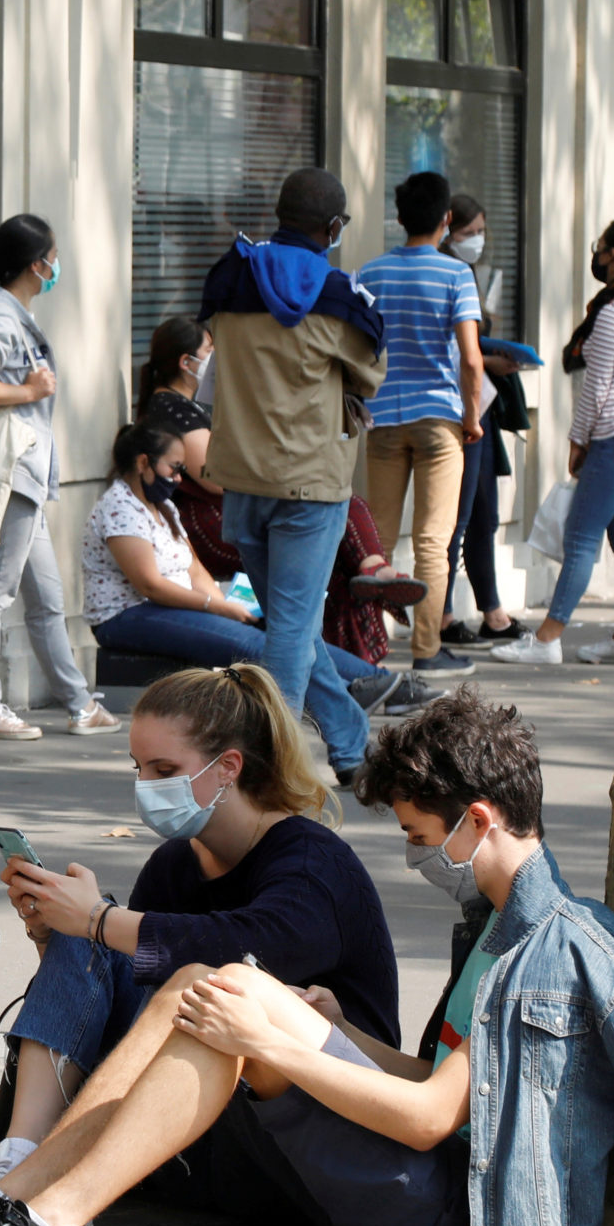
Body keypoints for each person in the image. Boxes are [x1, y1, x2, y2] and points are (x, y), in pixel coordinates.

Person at [0, 688, 614, 1226]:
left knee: (231, 1004)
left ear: (479, 819)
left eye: (424, 838)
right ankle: (23, 1209)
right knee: (211, 985)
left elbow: (433, 1119)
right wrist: (338, 1029)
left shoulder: (556, 948)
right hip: (416, 1189)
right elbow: (443, 1078)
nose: (419, 856)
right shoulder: (493, 927)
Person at [0, 663, 396, 1226]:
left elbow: (241, 950)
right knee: (88, 941)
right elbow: (128, 1004)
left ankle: (33, 1192)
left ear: (228, 766)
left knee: (175, 966)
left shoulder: (312, 863)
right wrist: (58, 934)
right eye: (138, 768)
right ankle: (15, 1167)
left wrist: (98, 921)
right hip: (184, 1143)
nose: (145, 786)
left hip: (300, 1147)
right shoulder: (177, 862)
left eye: (165, 771)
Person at [199, 168, 386, 784]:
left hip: (241, 478)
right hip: (309, 484)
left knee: (291, 623)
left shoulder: (229, 280)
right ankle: (272, 767)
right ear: (333, 228)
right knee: (291, 630)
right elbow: (371, 371)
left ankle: (352, 746)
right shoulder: (337, 296)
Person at [80, 424, 428, 724]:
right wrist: (216, 609)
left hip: (174, 607)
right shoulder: (119, 507)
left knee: (284, 631)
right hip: (127, 616)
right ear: (143, 463)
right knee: (254, 644)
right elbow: (149, 584)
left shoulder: (163, 506)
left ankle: (377, 682)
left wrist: (222, 605)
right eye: (173, 468)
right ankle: (369, 688)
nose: (178, 478)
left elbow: (195, 569)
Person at [138, 315, 420, 668]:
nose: (216, 358)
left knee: (334, 552)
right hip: (210, 521)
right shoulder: (171, 408)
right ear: (185, 362)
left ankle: (362, 660)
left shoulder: (194, 403)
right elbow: (216, 476)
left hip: (239, 506)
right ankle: (362, 662)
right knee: (332, 532)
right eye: (209, 351)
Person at [0, 215, 119, 741]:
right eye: (54, 256)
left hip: (26, 478)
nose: (56, 266)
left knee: (46, 600)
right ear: (38, 263)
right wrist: (31, 392)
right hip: (9, 477)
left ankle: (79, 704)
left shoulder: (10, 310)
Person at [494, 223, 614, 667]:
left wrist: (578, 441)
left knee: (580, 537)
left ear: (613, 255)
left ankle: (548, 638)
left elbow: (596, 387)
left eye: (600, 250)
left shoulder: (613, 314)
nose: (597, 257)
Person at [358, 171, 485, 677]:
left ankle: (368, 651)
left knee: (378, 541)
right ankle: (427, 652)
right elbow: (471, 361)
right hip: (439, 420)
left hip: (384, 418)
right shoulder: (456, 275)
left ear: (399, 217)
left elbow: (359, 349)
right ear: (446, 220)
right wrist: (471, 417)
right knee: (433, 541)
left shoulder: (370, 273)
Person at [438, 192, 531, 645]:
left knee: (484, 514)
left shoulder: (471, 275)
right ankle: (442, 614)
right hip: (458, 409)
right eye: (468, 233)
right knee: (454, 519)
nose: (477, 241)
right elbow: (456, 352)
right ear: (447, 229)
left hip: (483, 407)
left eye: (481, 233)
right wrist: (487, 362)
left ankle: (490, 609)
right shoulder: (445, 275)